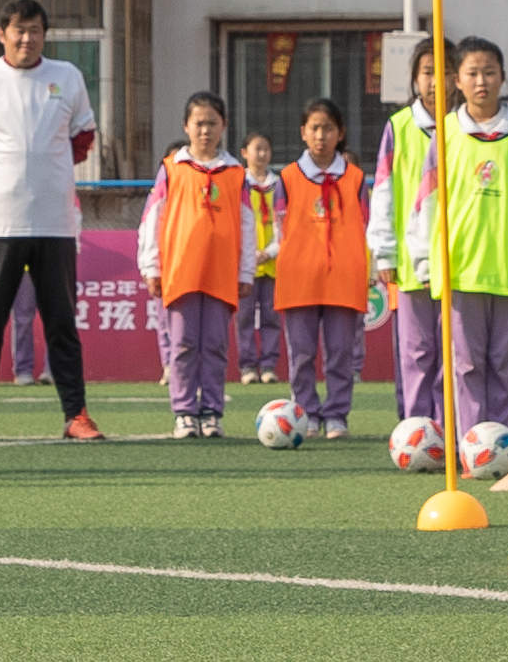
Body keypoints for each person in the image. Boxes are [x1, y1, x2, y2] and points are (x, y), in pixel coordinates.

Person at [0, 0, 101, 444]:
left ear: (44, 34)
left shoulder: (67, 76)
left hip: (54, 222)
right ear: (1, 33)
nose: (26, 39)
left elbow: (83, 136)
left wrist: (46, 172)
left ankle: (77, 415)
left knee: (61, 324)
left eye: (34, 30)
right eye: (18, 30)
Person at [430, 39, 508, 439]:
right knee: (465, 364)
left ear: (502, 78)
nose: (481, 81)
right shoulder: (444, 134)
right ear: (457, 81)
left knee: (504, 363)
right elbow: (426, 203)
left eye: (490, 72)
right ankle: (472, 442)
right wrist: (427, 260)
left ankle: (499, 441)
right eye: (472, 73)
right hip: (461, 269)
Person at [141, 93, 256, 441]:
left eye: (212, 123)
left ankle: (212, 412)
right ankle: (184, 411)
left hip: (221, 273)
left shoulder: (236, 173)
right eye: (199, 123)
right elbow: (153, 219)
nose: (205, 130)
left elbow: (248, 225)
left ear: (224, 126)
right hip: (180, 271)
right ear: (186, 126)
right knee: (183, 344)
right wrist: (151, 266)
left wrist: (245, 270)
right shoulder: (172, 168)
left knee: (216, 346)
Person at [267, 97, 372, 439]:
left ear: (340, 133)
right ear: (303, 132)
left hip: (343, 274)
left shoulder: (356, 179)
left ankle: (337, 414)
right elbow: (280, 226)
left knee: (341, 353)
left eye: (328, 128)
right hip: (300, 276)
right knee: (301, 354)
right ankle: (308, 412)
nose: (321, 135)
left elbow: (366, 226)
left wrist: (367, 268)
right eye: (314, 128)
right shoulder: (286, 177)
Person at [372, 49, 456, 450]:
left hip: (461, 260)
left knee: (454, 351)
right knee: (417, 351)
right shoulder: (399, 126)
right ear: (415, 79)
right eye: (428, 72)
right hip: (410, 261)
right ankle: (416, 433)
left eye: (445, 71)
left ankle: (450, 429)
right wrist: (385, 251)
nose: (436, 81)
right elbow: (384, 190)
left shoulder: (467, 128)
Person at [236, 128, 285, 393]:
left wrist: (271, 250)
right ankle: (247, 366)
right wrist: (249, 251)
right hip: (246, 264)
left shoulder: (278, 185)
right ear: (245, 153)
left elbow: (283, 221)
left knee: (271, 317)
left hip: (272, 263)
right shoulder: (238, 183)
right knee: (244, 317)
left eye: (266, 148)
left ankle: (268, 365)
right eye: (257, 148)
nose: (262, 153)